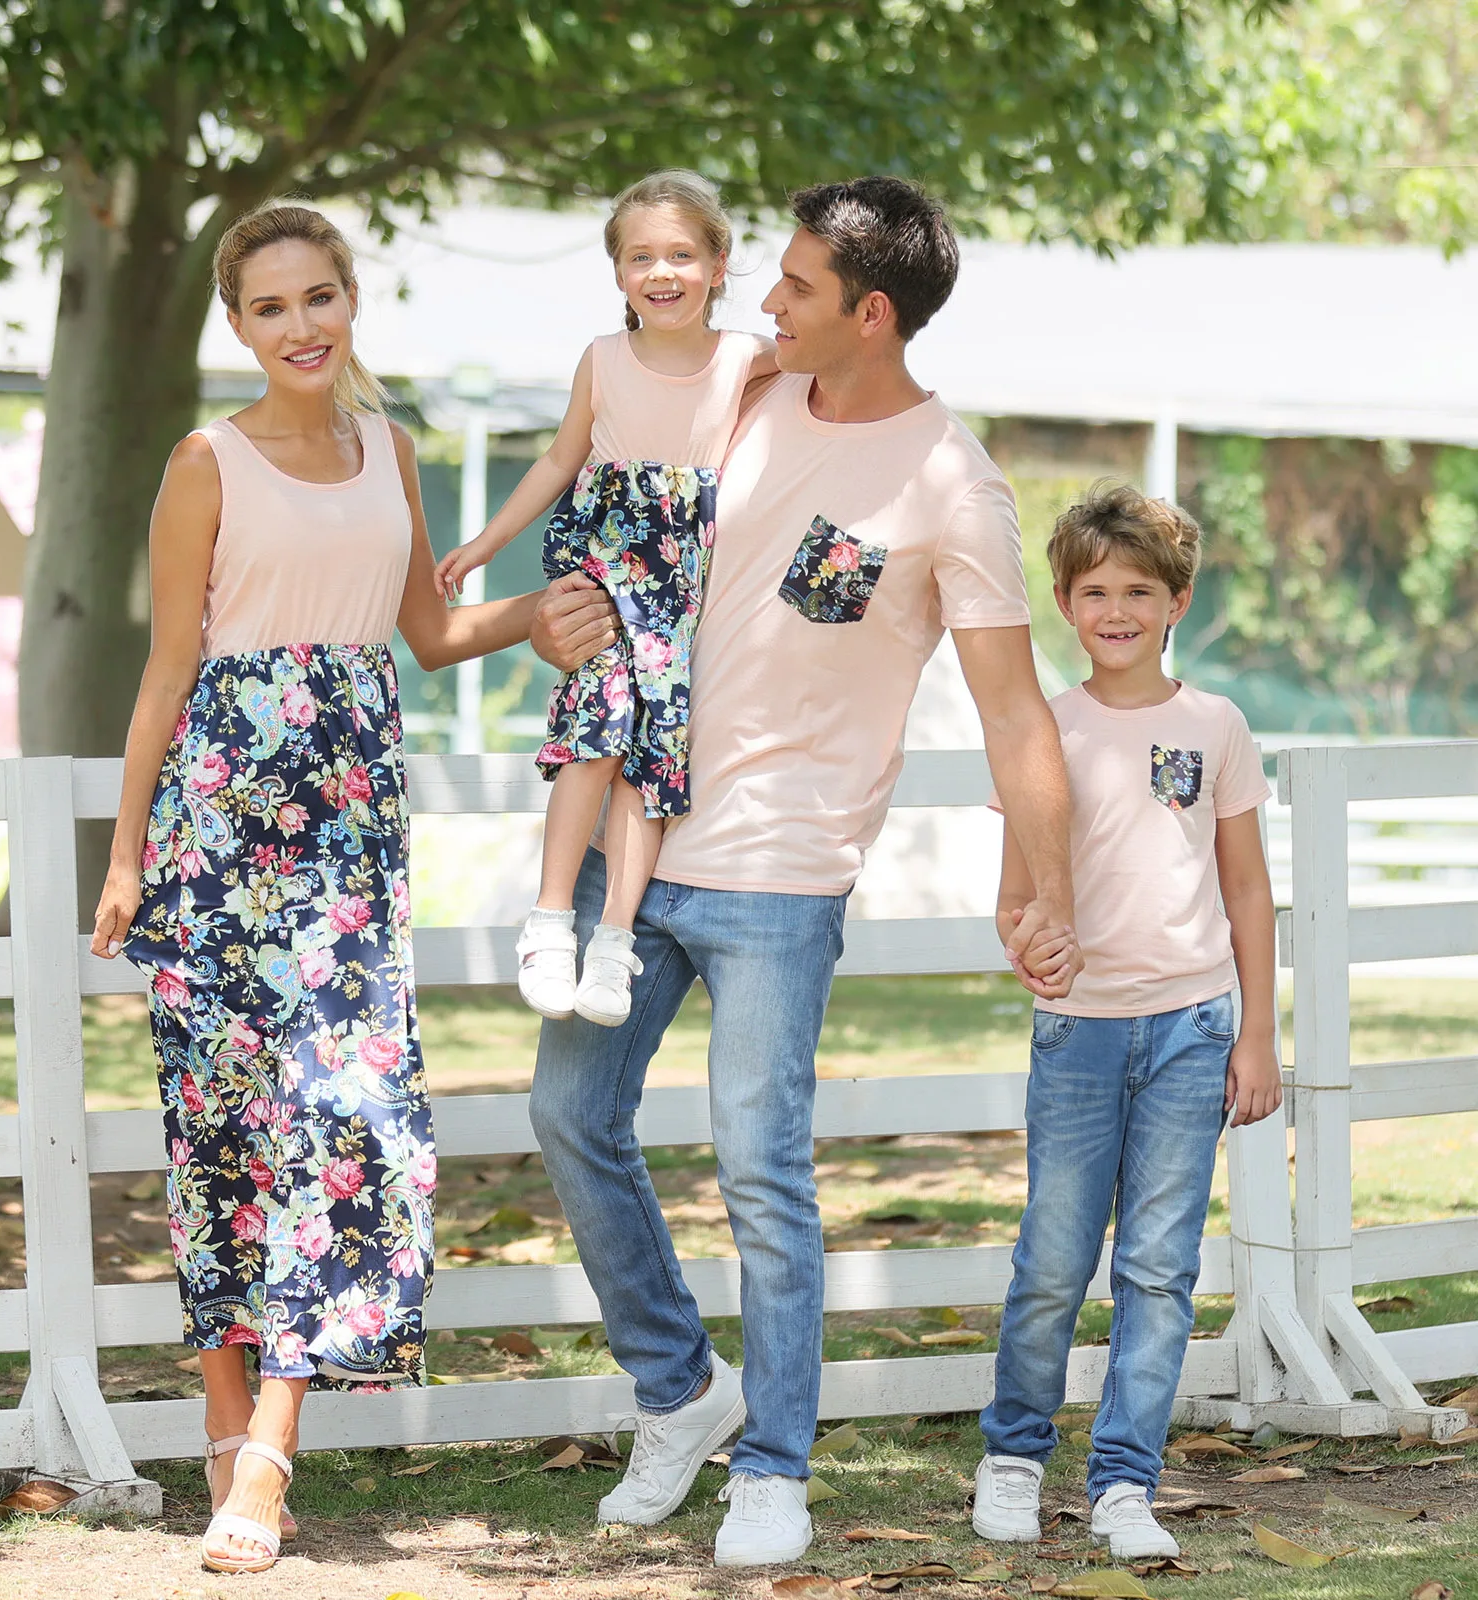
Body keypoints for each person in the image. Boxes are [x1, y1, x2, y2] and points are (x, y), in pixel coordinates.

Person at [528, 177, 1079, 1568]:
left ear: (871, 313)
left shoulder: (954, 484)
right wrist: (558, 621)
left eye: (793, 286)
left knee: (759, 1171)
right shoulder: (746, 398)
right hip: (636, 841)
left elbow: (1016, 715)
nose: (761, 301)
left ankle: (774, 1465)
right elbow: (624, 545)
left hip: (782, 871)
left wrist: (1042, 887)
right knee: (568, 1113)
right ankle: (681, 1392)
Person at [88, 203, 579, 1575]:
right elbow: (167, 672)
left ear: (350, 299)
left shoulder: (391, 451)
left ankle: (272, 1448)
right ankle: (226, 1427)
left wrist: (534, 615)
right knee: (224, 1131)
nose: (299, 325)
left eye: (318, 296)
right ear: (238, 326)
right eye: (270, 306)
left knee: (347, 1119)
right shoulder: (206, 463)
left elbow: (426, 632)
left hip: (350, 842)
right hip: (217, 833)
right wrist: (124, 857)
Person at [973, 482, 1284, 1562]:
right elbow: (1014, 897)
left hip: (1193, 1031)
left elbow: (1247, 889)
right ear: (1065, 603)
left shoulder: (1216, 726)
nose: (1116, 610)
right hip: (1080, 1032)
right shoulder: (1043, 729)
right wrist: (1028, 942)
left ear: (1176, 602)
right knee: (1054, 1261)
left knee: (1158, 1267)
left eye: (1138, 591)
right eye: (1095, 591)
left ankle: (1123, 1482)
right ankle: (1014, 1458)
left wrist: (1256, 1034)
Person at [435, 171, 776, 1029]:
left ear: (719, 265)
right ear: (619, 273)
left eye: (682, 255)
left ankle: (614, 942)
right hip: (610, 565)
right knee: (598, 729)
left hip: (687, 584)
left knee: (650, 757)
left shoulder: (747, 358)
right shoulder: (604, 359)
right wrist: (485, 545)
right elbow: (559, 460)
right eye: (641, 257)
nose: (662, 272)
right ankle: (551, 921)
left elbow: (827, 371)